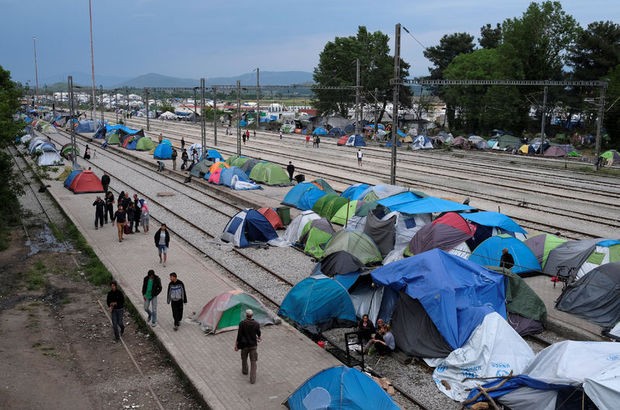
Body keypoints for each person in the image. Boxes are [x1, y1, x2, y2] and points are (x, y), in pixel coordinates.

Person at [234, 309, 261, 384]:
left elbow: (239, 335)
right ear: (252, 315)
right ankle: (252, 379)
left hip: (244, 345)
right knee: (253, 362)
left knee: (244, 359)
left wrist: (236, 345)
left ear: (246, 315)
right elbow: (258, 333)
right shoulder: (256, 324)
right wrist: (259, 337)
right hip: (253, 346)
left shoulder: (242, 323)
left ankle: (245, 371)